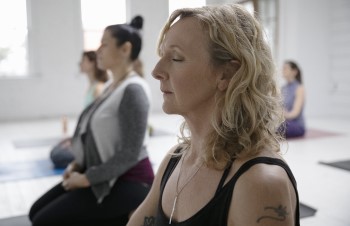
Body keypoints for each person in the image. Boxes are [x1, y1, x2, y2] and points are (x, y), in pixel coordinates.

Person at [127, 4, 300, 226]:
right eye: (162, 55)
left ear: (226, 74)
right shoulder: (175, 159)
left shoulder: (259, 184)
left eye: (176, 58)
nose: (156, 71)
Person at [29, 15, 154, 226]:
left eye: (104, 44)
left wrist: (86, 179)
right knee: (36, 212)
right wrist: (78, 165)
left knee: (44, 221)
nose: (99, 50)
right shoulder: (110, 87)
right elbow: (94, 137)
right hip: (103, 173)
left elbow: (130, 153)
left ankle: (128, 216)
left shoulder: (133, 90)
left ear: (125, 49)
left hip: (130, 180)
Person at [50, 51, 109, 169]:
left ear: (92, 63)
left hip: (89, 143)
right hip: (83, 138)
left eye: (83, 61)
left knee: (57, 155)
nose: (80, 64)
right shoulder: (91, 87)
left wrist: (76, 143)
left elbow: (94, 124)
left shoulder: (98, 88)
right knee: (56, 150)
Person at [281, 60, 306, 138]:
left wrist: (282, 115)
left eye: (285, 68)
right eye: (283, 68)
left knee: (273, 128)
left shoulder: (299, 88)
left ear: (294, 71)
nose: (283, 70)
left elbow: (295, 113)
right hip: (284, 121)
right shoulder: (283, 88)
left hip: (296, 125)